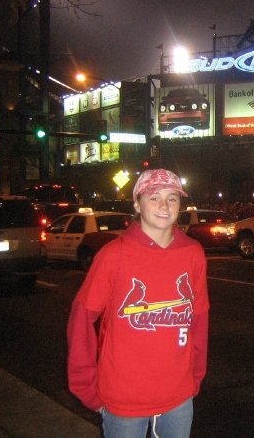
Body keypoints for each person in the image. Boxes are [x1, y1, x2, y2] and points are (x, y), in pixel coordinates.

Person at [67, 169, 209, 438]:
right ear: (137, 204)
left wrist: (195, 376)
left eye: (172, 198)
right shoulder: (114, 255)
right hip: (124, 400)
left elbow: (199, 320)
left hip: (178, 398)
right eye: (154, 197)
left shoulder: (193, 253)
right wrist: (86, 386)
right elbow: (81, 318)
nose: (164, 206)